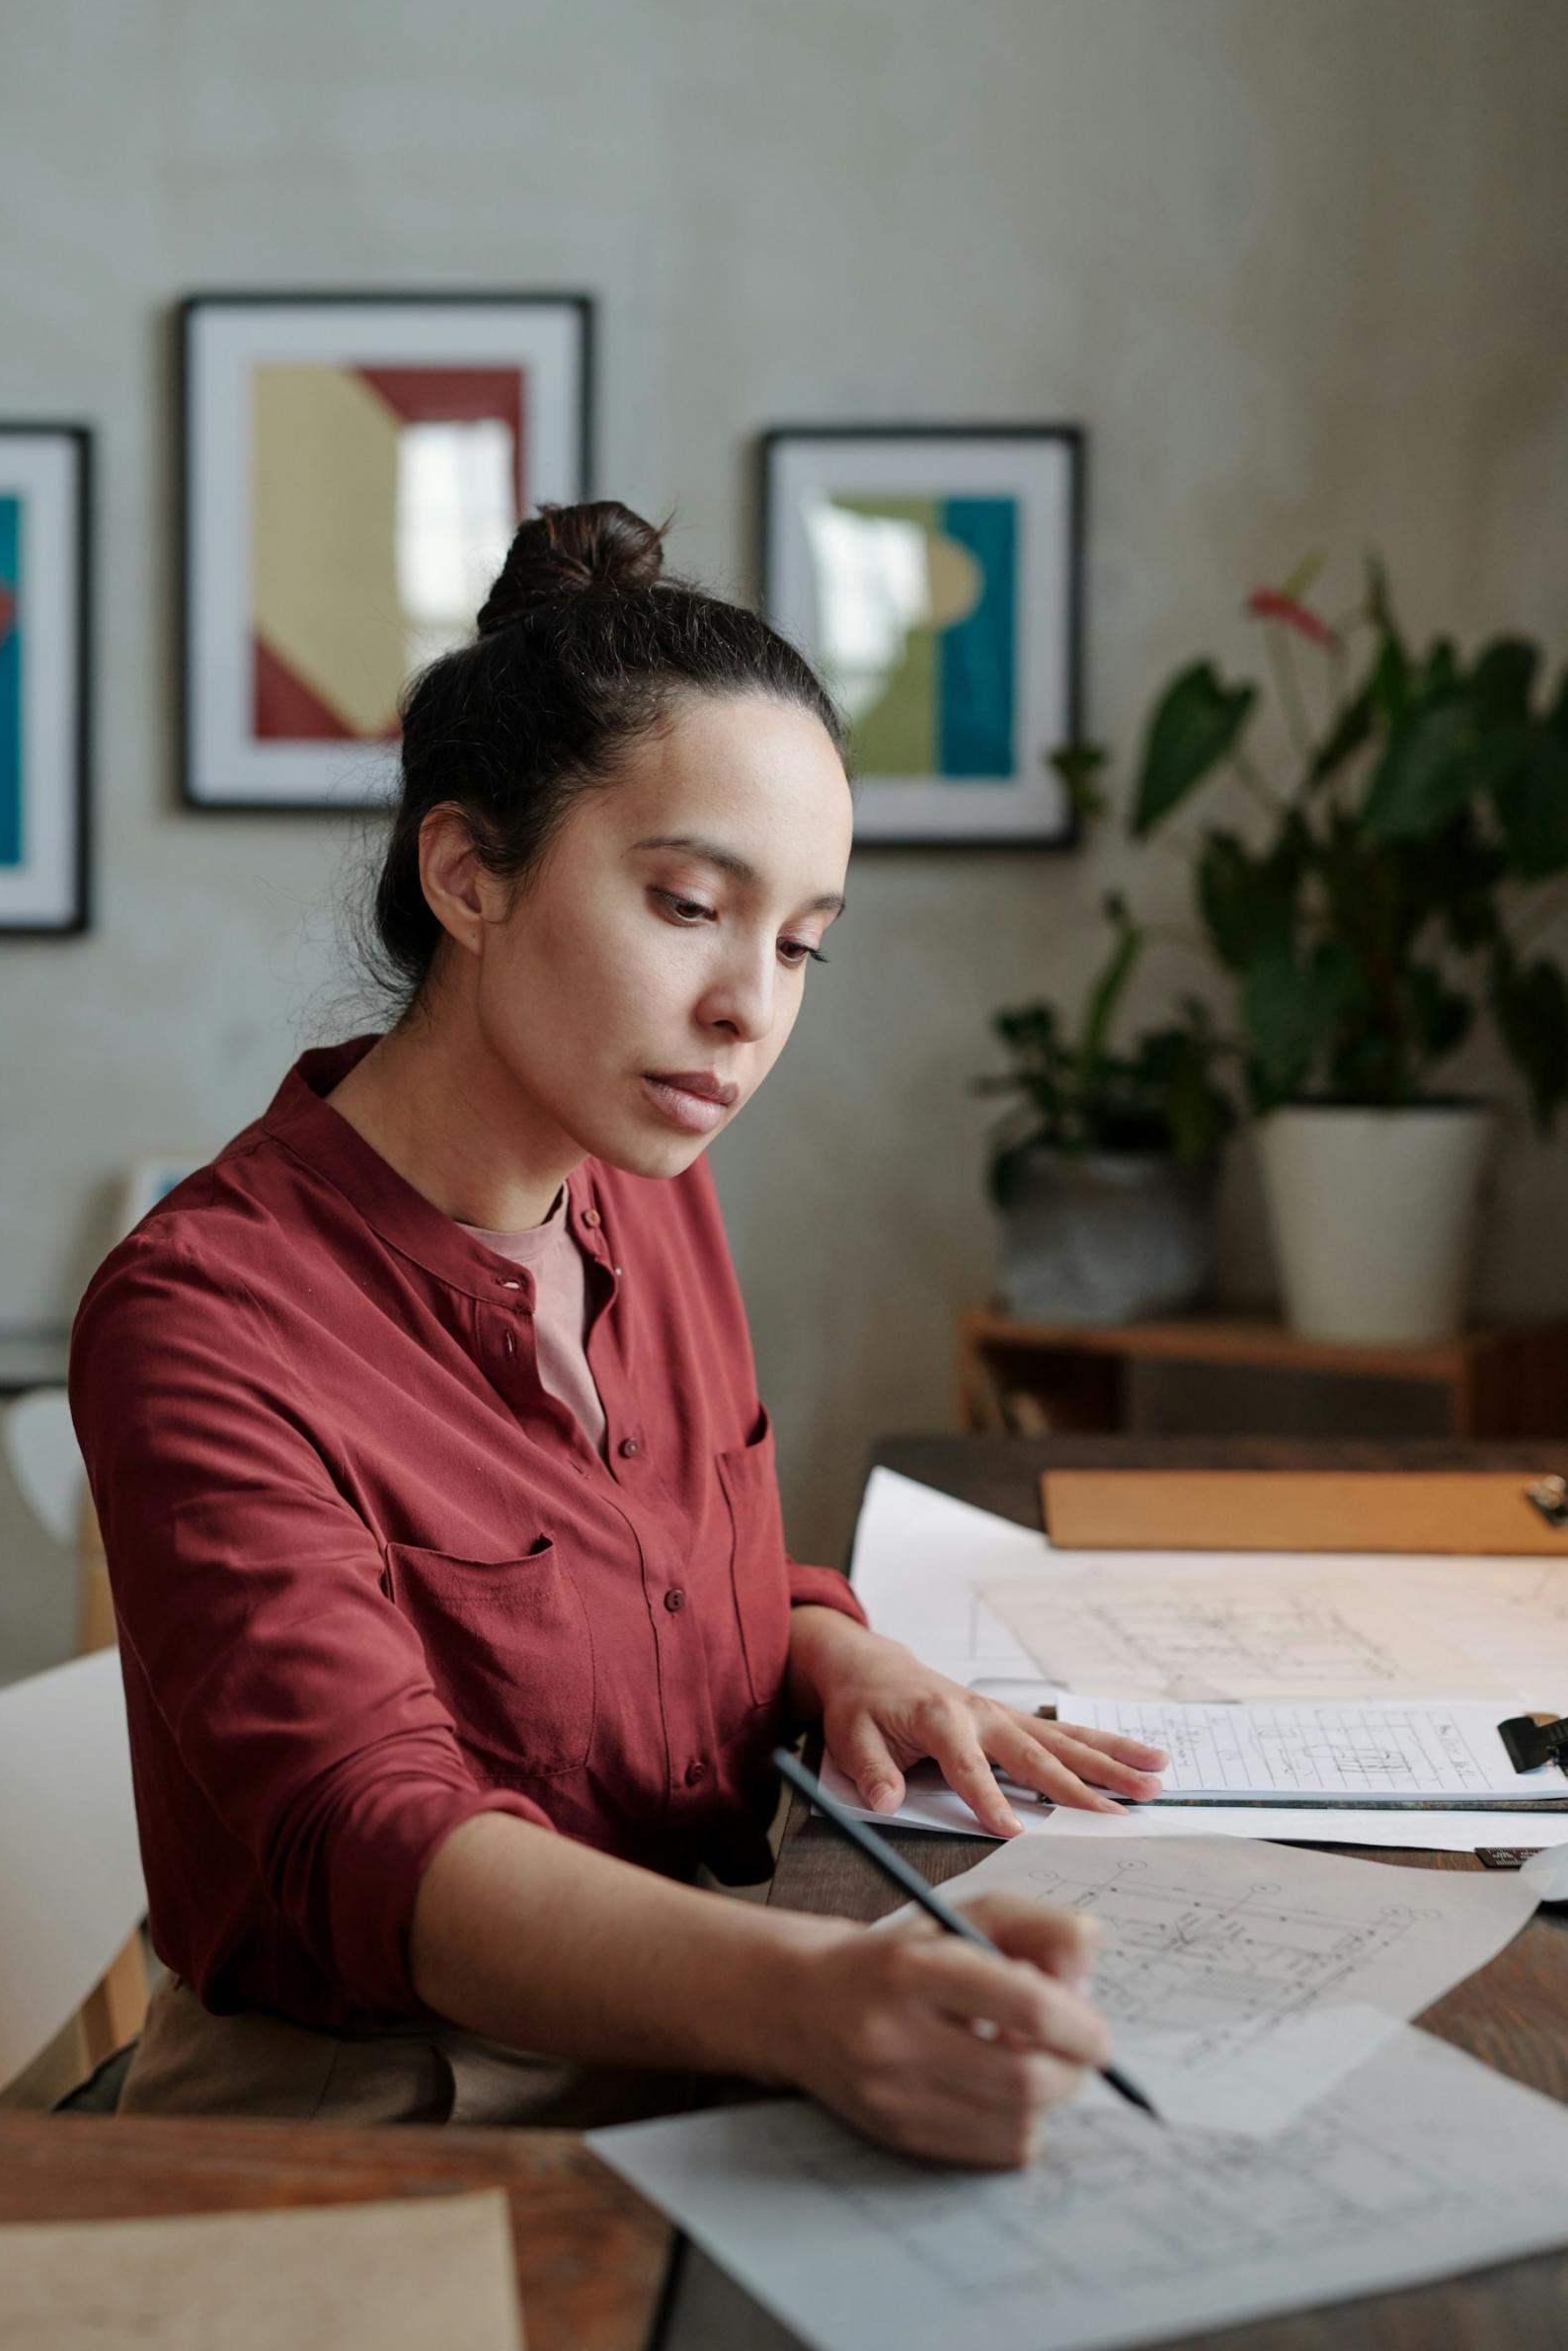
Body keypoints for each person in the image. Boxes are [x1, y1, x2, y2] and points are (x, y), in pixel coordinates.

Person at [70, 502, 1166, 2160]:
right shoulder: (206, 1318)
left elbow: (656, 1587)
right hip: (393, 2115)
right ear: (467, 873)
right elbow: (374, 1844)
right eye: (686, 907)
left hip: (705, 2026)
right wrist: (804, 1998)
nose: (751, 1007)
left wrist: (828, 1645)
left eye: (800, 945)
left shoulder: (643, 1174)